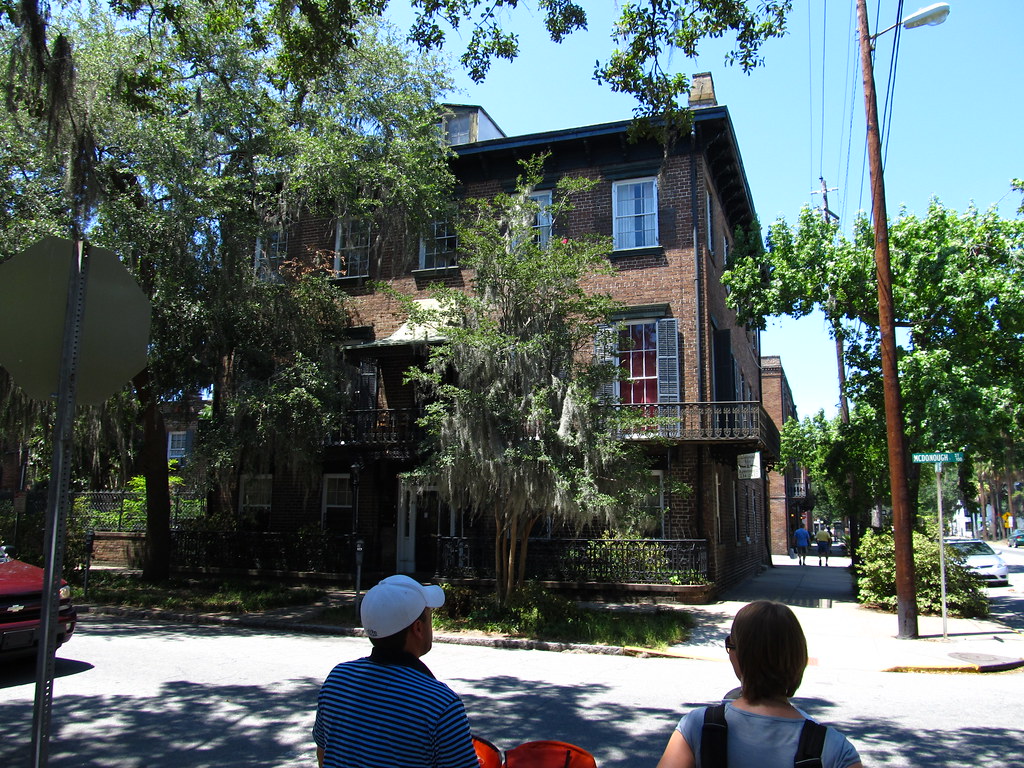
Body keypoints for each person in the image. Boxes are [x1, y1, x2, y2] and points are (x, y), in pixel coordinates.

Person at [656, 601, 862, 768]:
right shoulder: (835, 749)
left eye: (730, 645)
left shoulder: (697, 727)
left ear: (739, 655)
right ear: (799, 657)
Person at [313, 575, 479, 768]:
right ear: (418, 628)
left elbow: (323, 755)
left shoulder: (338, 680)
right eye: (429, 617)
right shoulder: (440, 705)